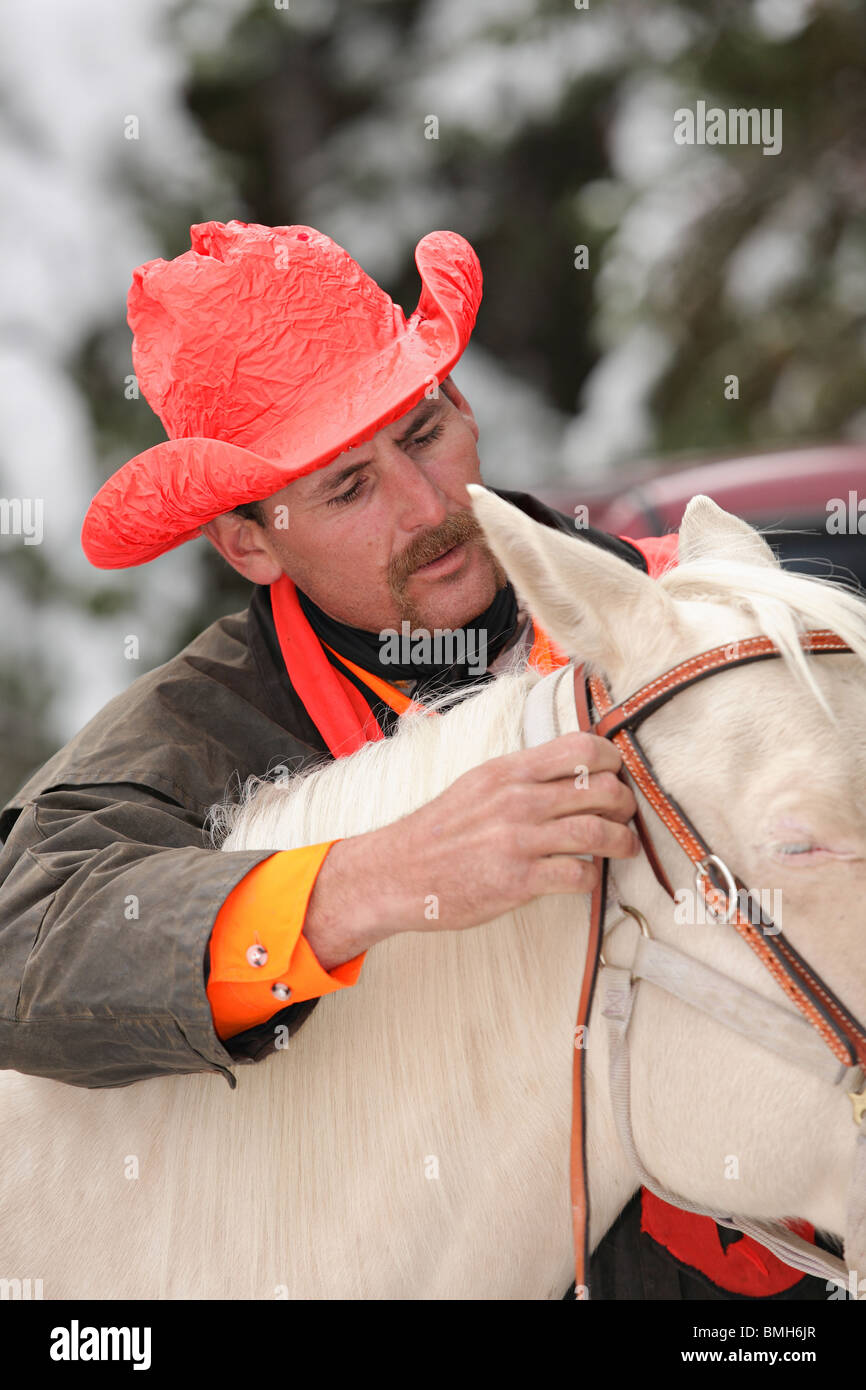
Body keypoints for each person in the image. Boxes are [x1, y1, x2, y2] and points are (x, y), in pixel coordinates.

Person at [0, 220, 829, 1300]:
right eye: (347, 488)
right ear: (251, 541)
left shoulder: (680, 618)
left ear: (465, 407)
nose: (427, 507)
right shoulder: (190, 732)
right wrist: (376, 878)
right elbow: (27, 945)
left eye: (425, 431)